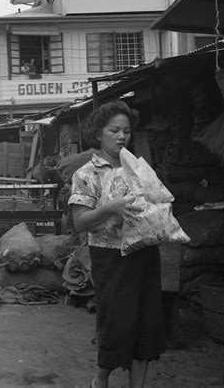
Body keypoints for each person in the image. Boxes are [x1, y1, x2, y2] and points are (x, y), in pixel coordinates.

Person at [68, 100, 165, 388]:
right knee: (116, 324)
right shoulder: (87, 174)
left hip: (145, 252)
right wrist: (110, 207)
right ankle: (101, 380)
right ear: (98, 134)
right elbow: (80, 222)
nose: (122, 136)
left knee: (146, 324)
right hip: (110, 258)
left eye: (126, 131)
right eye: (114, 130)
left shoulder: (137, 169)